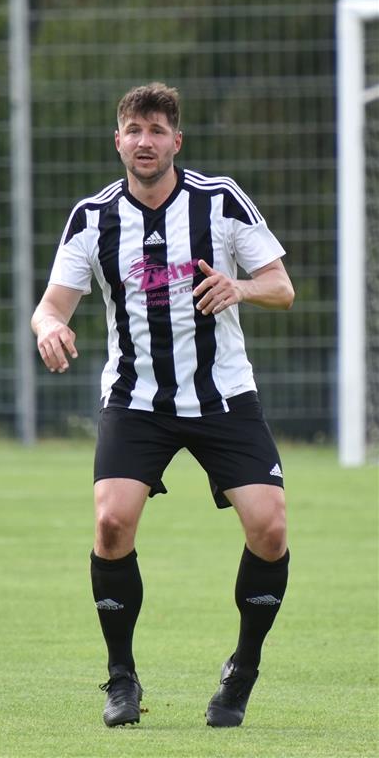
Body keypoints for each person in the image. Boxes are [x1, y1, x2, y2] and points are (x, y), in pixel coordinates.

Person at [31, 82, 294, 729]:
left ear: (176, 140)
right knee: (111, 525)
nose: (144, 141)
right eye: (133, 130)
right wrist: (49, 331)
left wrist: (240, 287)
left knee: (271, 527)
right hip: (136, 399)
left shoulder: (219, 201)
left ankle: (242, 671)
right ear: (117, 139)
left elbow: (282, 288)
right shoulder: (93, 219)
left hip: (222, 395)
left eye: (156, 130)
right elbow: (51, 305)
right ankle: (121, 679)